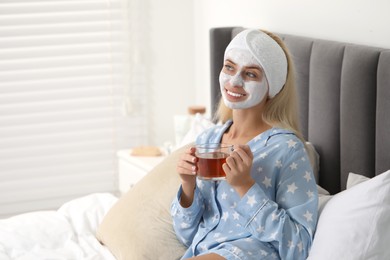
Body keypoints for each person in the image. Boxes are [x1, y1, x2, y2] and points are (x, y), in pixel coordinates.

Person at [171, 28, 318, 260]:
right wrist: (187, 186)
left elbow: (298, 246)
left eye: (251, 74)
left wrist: (245, 186)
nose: (234, 81)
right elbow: (186, 235)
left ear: (272, 87)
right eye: (229, 67)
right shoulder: (208, 140)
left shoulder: (287, 150)